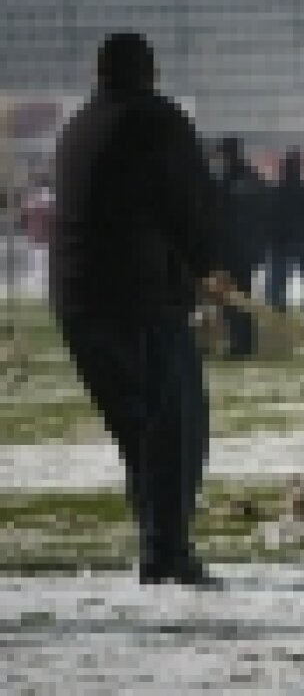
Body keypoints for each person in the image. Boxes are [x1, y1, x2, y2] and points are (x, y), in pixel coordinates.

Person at [50, 32, 229, 586]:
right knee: (178, 427)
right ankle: (166, 550)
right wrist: (211, 267)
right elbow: (189, 201)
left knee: (139, 430)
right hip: (139, 300)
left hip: (79, 302)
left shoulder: (78, 126)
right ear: (150, 73)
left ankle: (158, 539)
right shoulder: (157, 120)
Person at [215, 136, 269, 357]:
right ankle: (247, 341)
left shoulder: (224, 181)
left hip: (231, 249)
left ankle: (238, 343)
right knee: (244, 297)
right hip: (248, 248)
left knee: (231, 299)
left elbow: (216, 215)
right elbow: (265, 214)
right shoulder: (253, 179)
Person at [266, 148, 304, 332]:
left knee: (277, 288)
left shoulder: (276, 192)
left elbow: (269, 217)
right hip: (303, 241)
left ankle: (277, 322)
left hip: (282, 243)